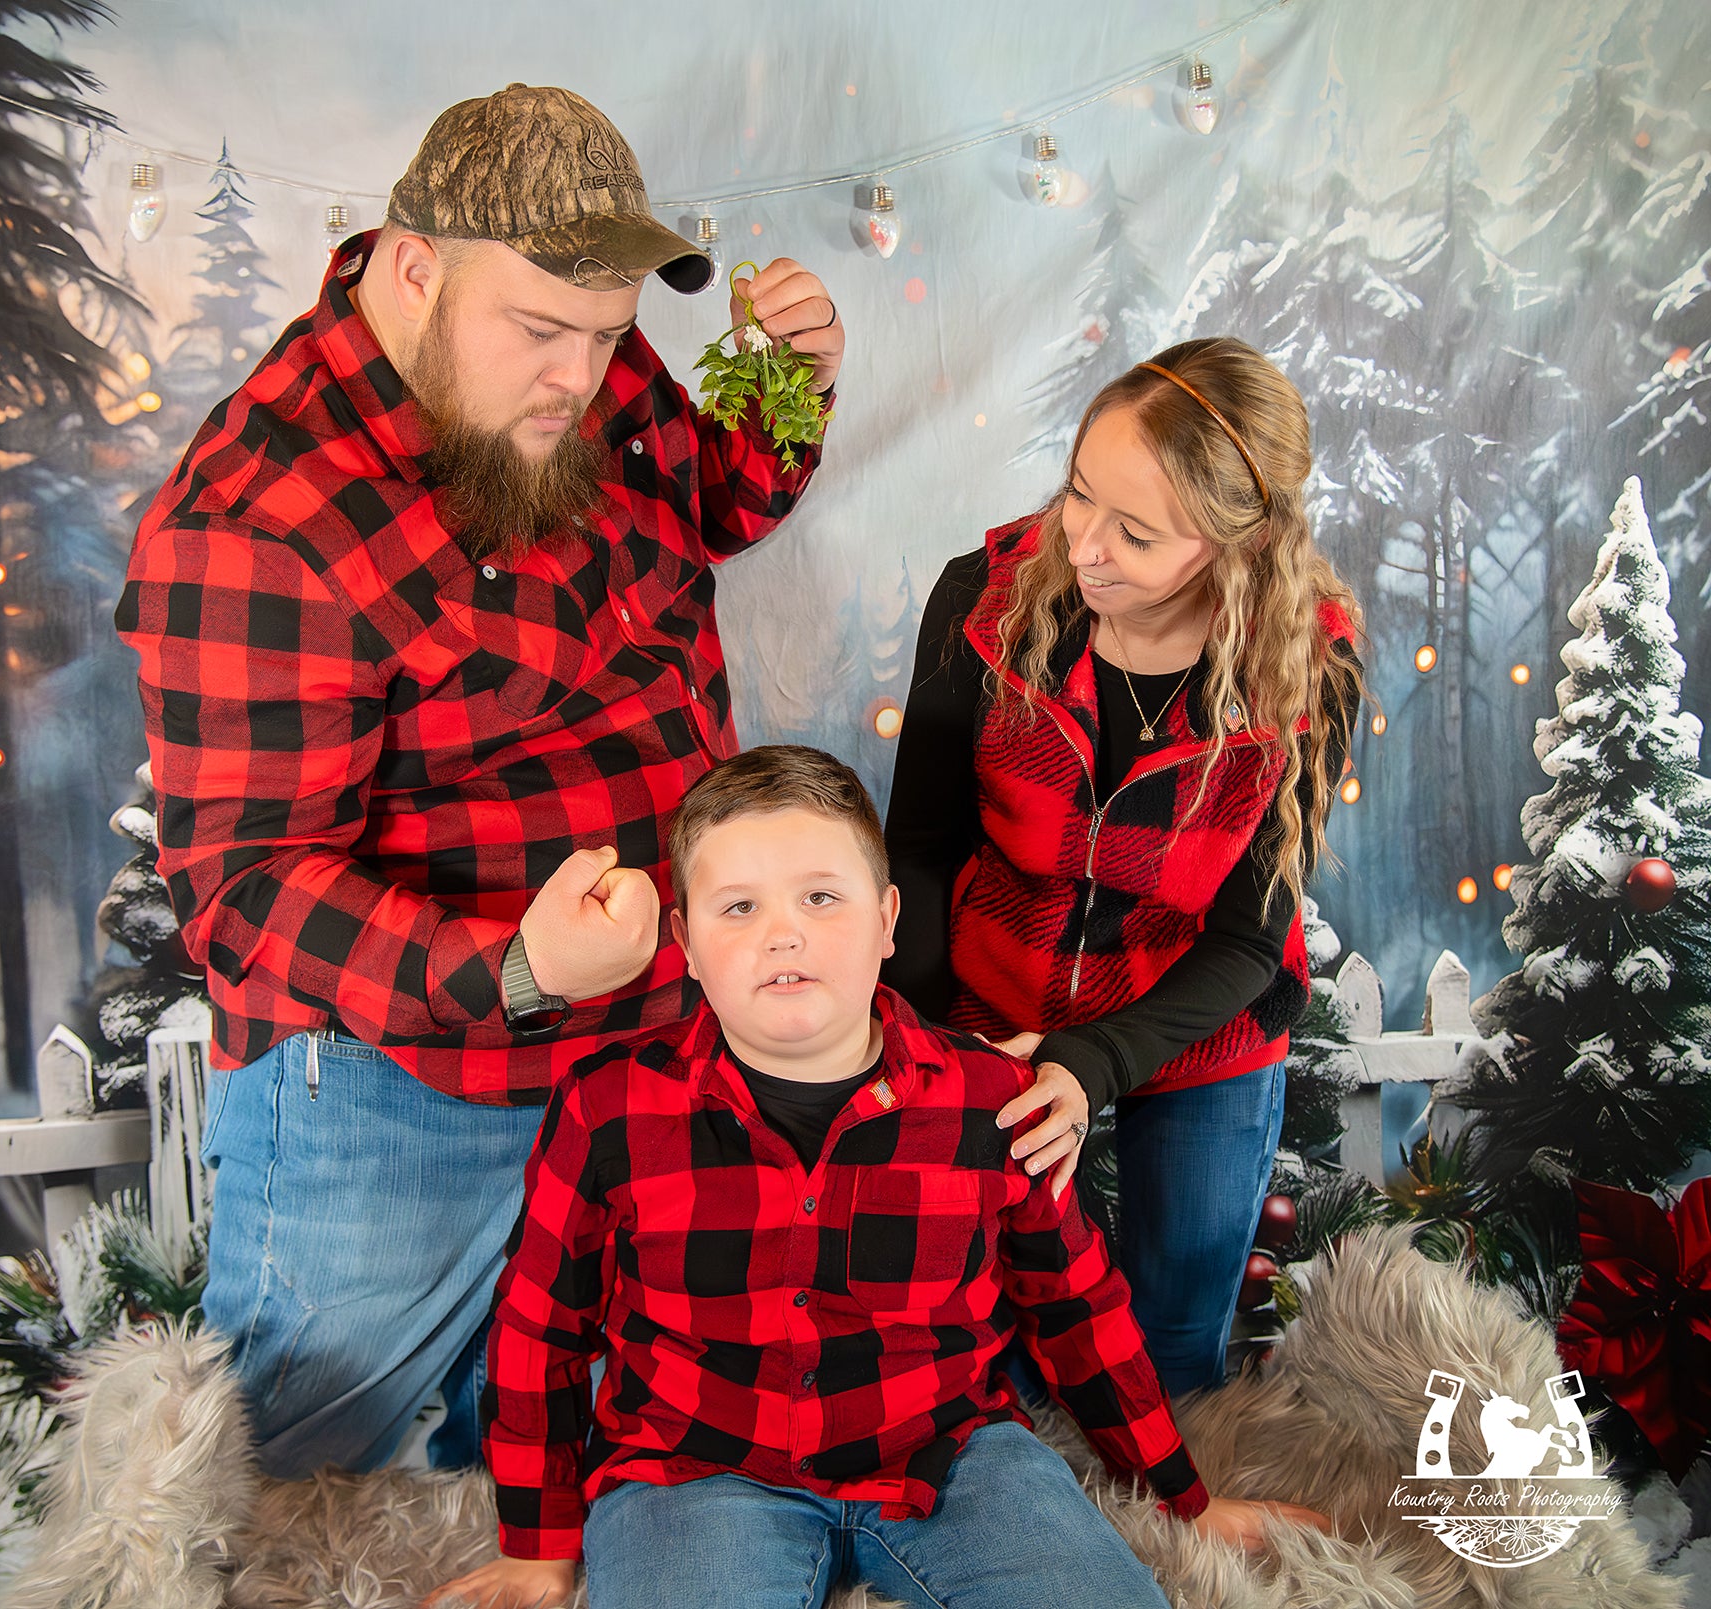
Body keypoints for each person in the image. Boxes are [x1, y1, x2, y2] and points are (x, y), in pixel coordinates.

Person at [115, 84, 844, 1478]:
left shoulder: (570, 354)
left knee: (584, 1479)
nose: (583, 377)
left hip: (638, 1057)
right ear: (410, 267)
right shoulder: (260, 522)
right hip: (402, 1091)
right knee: (301, 1496)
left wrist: (786, 383)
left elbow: (705, 505)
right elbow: (246, 894)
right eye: (543, 332)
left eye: (612, 336)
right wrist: (513, 968)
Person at [429, 745, 1329, 1609]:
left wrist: (1183, 1497)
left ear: (889, 921)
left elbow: (1075, 1306)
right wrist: (536, 1545)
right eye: (737, 908)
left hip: (951, 1460)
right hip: (694, 1470)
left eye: (822, 897)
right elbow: (539, 1328)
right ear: (686, 942)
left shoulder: (993, 1101)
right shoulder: (609, 1107)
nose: (783, 932)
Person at [883, 337, 1363, 1397]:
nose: (1082, 545)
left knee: (1171, 1339)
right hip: (987, 999)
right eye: (1076, 494)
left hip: (1192, 1018)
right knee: (971, 1329)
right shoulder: (985, 601)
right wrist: (926, 1046)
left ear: (1235, 549)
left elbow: (1248, 935)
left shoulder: (1302, 669)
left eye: (1135, 534)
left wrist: (1092, 1060)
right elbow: (917, 844)